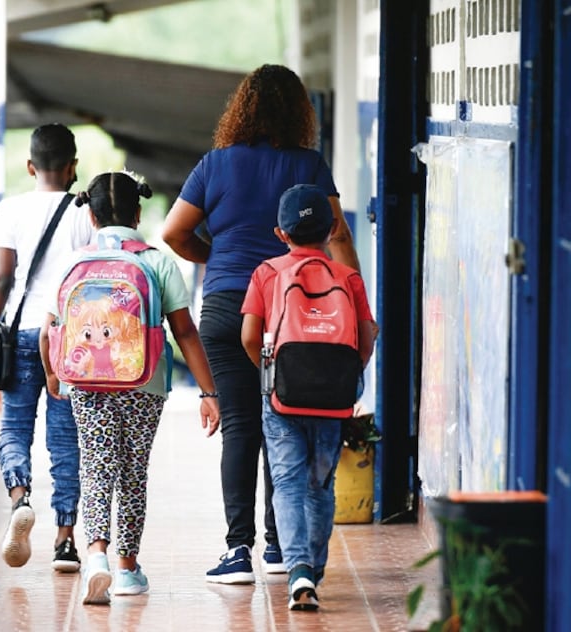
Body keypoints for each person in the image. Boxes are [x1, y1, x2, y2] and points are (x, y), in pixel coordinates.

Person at [161, 63, 360, 583]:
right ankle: (278, 546)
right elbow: (338, 235)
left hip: (227, 305)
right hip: (291, 309)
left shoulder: (215, 164)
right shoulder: (308, 164)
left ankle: (237, 551)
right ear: (299, 113)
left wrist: (216, 257)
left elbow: (174, 232)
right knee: (285, 420)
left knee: (240, 428)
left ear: (241, 109)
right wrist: (351, 296)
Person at [40, 171, 222, 605]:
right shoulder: (157, 262)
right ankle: (126, 569)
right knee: (133, 473)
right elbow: (185, 331)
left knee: (96, 466)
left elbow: (49, 331)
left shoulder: (72, 263)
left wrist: (54, 375)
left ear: (91, 215)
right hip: (144, 383)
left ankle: (96, 556)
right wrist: (209, 392)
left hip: (87, 382)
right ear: (138, 214)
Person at [241, 184, 377, 610]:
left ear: (281, 233)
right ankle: (313, 569)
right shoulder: (348, 277)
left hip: (282, 397)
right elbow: (367, 336)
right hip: (333, 400)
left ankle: (298, 570)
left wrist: (271, 374)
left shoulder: (267, 273)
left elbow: (249, 335)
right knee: (320, 485)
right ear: (333, 228)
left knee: (286, 483)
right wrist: (347, 375)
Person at [0, 123, 92, 573]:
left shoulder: (11, 209)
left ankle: (20, 497)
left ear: (30, 166)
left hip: (20, 332)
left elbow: (2, 279)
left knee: (14, 427)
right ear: (72, 167)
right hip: (67, 337)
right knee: (65, 439)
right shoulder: (85, 213)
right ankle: (65, 540)